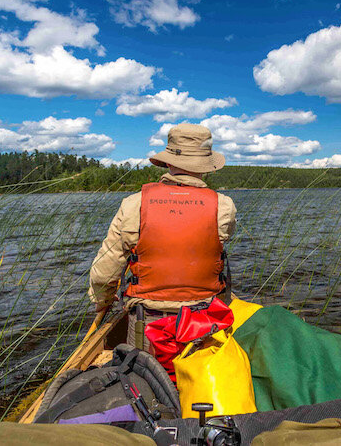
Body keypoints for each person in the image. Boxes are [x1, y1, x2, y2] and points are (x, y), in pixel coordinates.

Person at [88, 123, 236, 350]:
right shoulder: (224, 206)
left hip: (146, 324)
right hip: (205, 323)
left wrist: (103, 301)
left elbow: (104, 272)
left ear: (168, 161)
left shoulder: (133, 204)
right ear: (206, 165)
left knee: (142, 379)